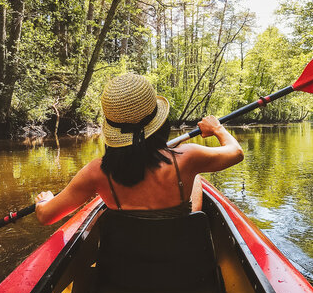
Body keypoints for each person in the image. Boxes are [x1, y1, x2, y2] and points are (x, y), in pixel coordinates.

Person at [34, 74, 243, 224]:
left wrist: (45, 201)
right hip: (182, 269)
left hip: (125, 273)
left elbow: (45, 216)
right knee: (195, 176)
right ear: (159, 122)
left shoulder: (95, 172)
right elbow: (236, 153)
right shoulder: (189, 157)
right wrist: (217, 129)